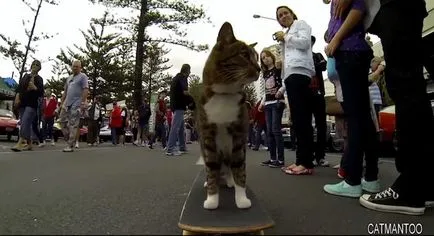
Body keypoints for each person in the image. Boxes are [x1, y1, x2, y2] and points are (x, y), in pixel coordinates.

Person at [357, 0, 434, 215]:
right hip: (403, 8)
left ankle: (409, 189)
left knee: (405, 86)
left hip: (397, 6)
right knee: (412, 87)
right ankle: (424, 184)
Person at [323, 0, 380, 198]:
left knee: (356, 118)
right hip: (354, 52)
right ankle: (371, 178)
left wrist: (336, 39)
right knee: (363, 118)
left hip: (349, 52)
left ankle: (353, 180)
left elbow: (359, 8)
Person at [274, 6, 315, 174]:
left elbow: (305, 43)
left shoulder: (300, 24)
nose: (283, 16)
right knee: (297, 120)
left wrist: (285, 37)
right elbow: (287, 56)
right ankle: (300, 160)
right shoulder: (288, 33)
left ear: (292, 14)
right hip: (290, 75)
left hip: (301, 71)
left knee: (302, 119)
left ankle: (306, 163)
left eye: (285, 13)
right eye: (280, 16)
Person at [257, 49, 285, 167]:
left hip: (278, 102)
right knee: (269, 132)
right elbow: (265, 91)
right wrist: (262, 103)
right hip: (268, 103)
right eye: (263, 58)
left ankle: (281, 160)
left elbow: (284, 81)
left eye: (267, 56)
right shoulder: (265, 73)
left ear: (271, 56)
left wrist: (280, 91)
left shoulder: (278, 69)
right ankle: (273, 158)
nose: (266, 59)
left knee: (275, 130)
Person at [11, 60, 44, 151]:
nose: (35, 66)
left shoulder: (39, 79)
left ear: (39, 68)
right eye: (33, 64)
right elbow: (19, 88)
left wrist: (35, 87)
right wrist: (17, 98)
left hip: (32, 104)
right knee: (25, 123)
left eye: (37, 65)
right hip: (23, 102)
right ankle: (29, 144)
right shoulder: (26, 76)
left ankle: (20, 142)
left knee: (25, 121)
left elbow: (41, 92)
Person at [59, 60, 89, 152]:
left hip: (76, 103)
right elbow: (65, 91)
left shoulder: (83, 77)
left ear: (80, 68)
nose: (75, 68)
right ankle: (69, 138)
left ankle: (70, 145)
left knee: (73, 124)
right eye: (73, 66)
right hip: (67, 103)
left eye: (77, 66)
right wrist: (61, 102)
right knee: (61, 121)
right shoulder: (69, 78)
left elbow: (85, 89)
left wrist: (83, 103)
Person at [310, 36, 329, 167]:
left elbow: (324, 66)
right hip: (304, 95)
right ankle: (309, 156)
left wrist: (312, 65)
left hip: (318, 93)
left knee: (321, 125)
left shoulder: (317, 55)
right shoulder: (298, 57)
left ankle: (320, 156)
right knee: (306, 126)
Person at [166, 64, 190, 156]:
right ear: (187, 71)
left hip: (175, 104)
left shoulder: (176, 78)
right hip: (179, 105)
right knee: (175, 127)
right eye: (189, 71)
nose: (190, 73)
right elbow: (185, 91)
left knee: (180, 128)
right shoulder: (182, 78)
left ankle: (182, 147)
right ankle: (170, 149)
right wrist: (190, 101)